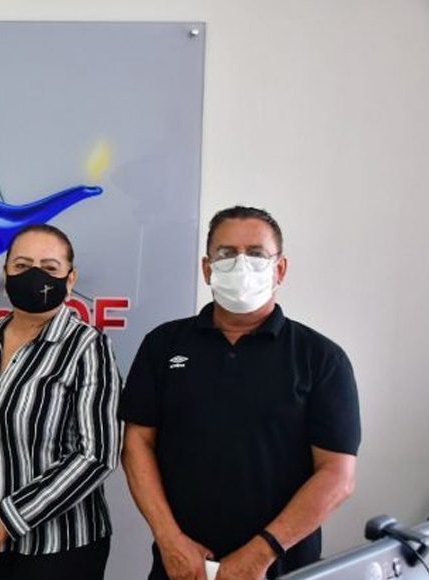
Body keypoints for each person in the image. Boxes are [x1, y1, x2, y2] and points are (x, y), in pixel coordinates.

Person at [120, 206, 361, 580]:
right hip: (182, 564)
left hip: (281, 566)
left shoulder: (320, 357)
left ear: (280, 269)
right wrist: (169, 539)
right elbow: (137, 443)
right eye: (227, 253)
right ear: (207, 268)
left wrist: (260, 553)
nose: (241, 264)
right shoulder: (163, 344)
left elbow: (337, 475)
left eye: (256, 254)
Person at [0, 224, 123, 580]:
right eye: (22, 266)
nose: (35, 277)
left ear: (70, 279)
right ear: (6, 274)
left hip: (62, 549)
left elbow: (97, 454)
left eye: (49, 268)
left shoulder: (88, 346)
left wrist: (8, 518)